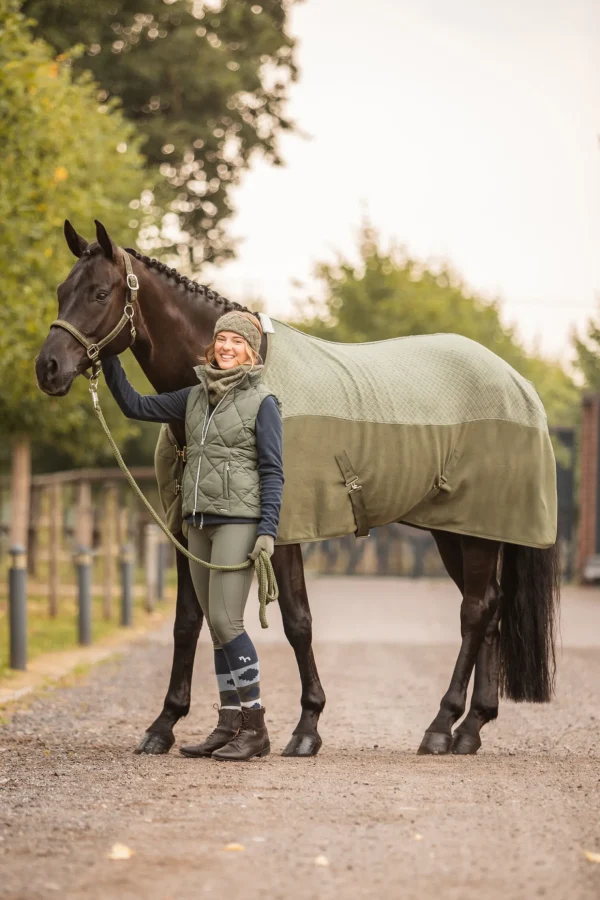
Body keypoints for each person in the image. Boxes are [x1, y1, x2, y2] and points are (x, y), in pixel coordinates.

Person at [101, 311, 283, 761]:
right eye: (221, 339)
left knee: (226, 621)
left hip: (238, 521)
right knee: (217, 632)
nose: (226, 347)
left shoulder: (263, 402)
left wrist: (267, 531)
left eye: (236, 342)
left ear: (251, 352)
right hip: (197, 520)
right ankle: (228, 722)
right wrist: (108, 359)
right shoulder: (194, 396)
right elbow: (136, 407)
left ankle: (255, 726)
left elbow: (273, 471)